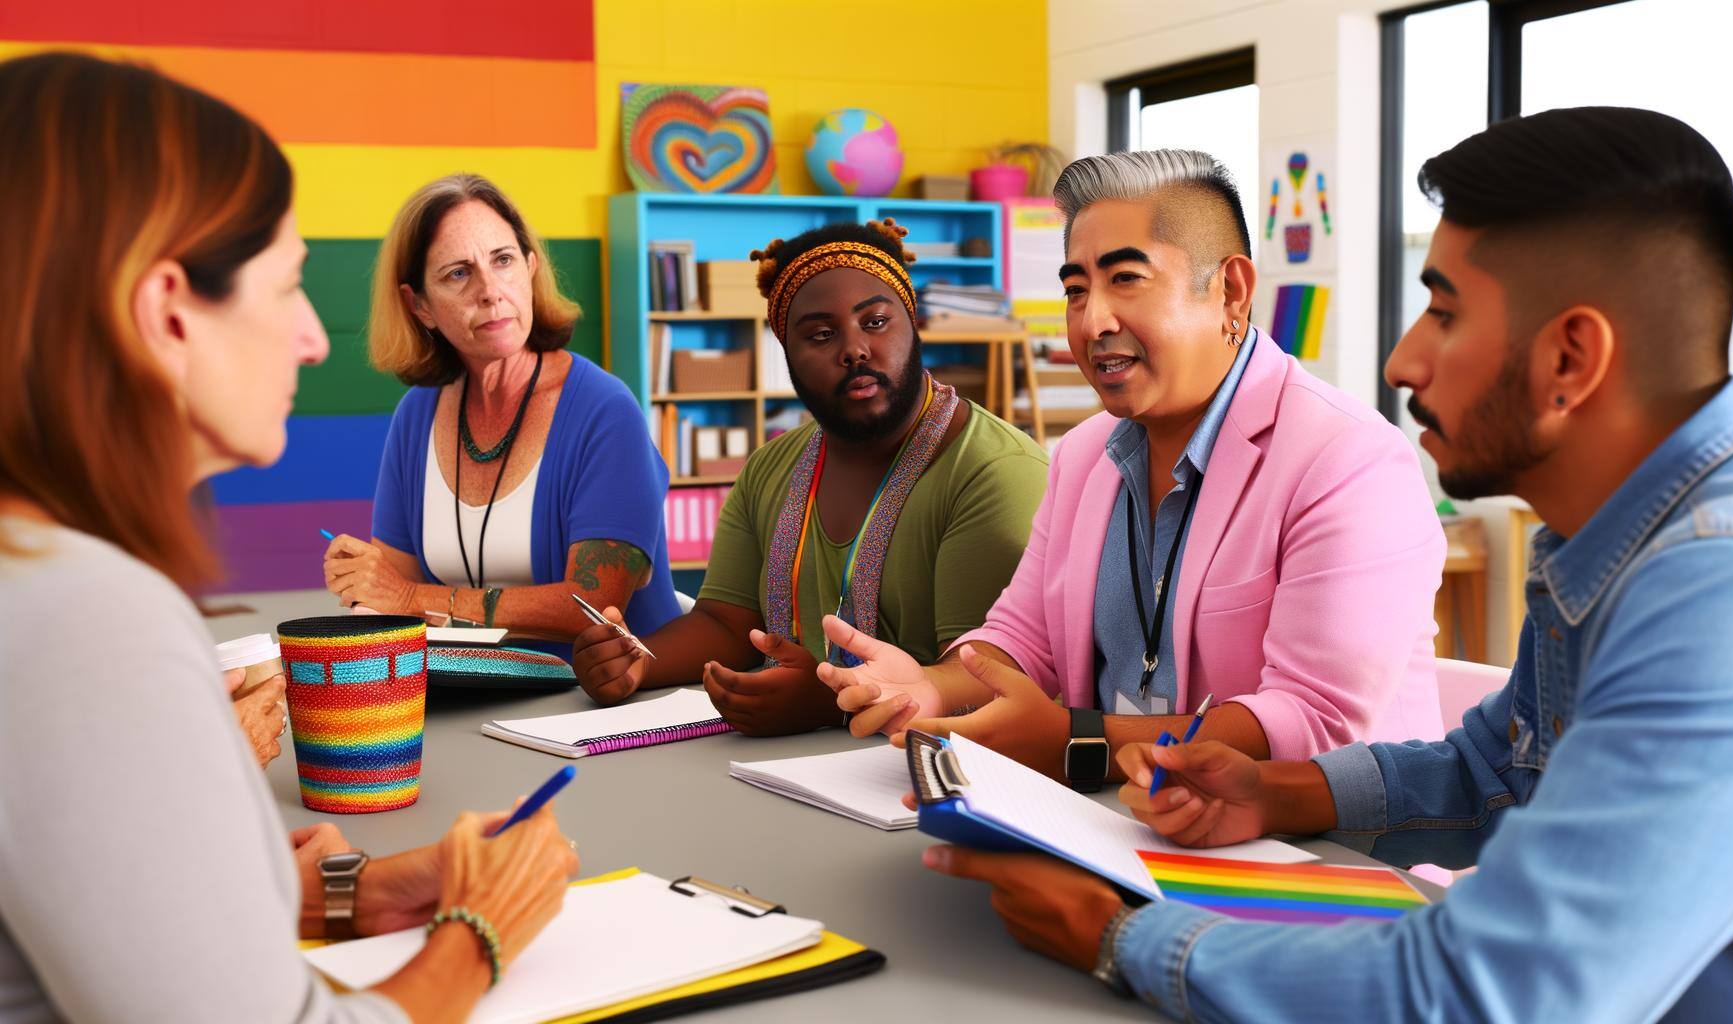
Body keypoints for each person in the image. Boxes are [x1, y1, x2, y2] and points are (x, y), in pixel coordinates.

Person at [920, 108, 1733, 1023]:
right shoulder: (1613, 537)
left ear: (1571, 357)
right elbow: (1497, 768)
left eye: (1444, 312)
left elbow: (1492, 991)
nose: (1405, 358)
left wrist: (1117, 936)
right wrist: (1275, 792)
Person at [0, 53, 578, 1021]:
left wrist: (316, 891)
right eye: (287, 287)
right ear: (168, 313)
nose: (313, 338)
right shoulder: (82, 614)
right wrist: (481, 929)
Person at [821, 151, 1444, 791]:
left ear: (1230, 290)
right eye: (1075, 290)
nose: (1092, 322)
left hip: (1322, 858)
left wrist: (1078, 742)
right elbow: (1022, 637)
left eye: (1126, 279)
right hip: (1125, 821)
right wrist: (932, 687)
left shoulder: (1348, 458)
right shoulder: (1084, 454)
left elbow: (1315, 720)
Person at [572, 219, 1049, 735]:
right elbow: (726, 622)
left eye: (876, 322)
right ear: (787, 357)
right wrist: (639, 661)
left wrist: (832, 703)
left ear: (913, 326)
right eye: (821, 335)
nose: (854, 350)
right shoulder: (770, 467)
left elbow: (984, 675)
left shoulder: (992, 472)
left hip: (931, 775)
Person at [322, 174, 679, 657]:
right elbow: (391, 589)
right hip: (469, 697)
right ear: (420, 306)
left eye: (503, 260)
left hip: (612, 704)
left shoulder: (605, 411)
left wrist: (411, 598)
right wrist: (363, 584)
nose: (490, 291)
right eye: (458, 273)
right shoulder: (416, 416)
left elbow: (593, 607)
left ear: (530, 268)